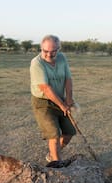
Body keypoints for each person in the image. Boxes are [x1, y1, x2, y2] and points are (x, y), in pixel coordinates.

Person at [30, 35, 76, 163]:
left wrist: (69, 99)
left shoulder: (62, 58)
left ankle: (52, 154)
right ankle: (57, 165)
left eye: (53, 51)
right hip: (43, 101)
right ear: (41, 48)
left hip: (60, 98)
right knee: (54, 134)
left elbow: (68, 79)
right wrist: (62, 105)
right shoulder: (36, 63)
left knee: (69, 132)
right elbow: (45, 88)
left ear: (58, 49)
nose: (49, 55)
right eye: (45, 51)